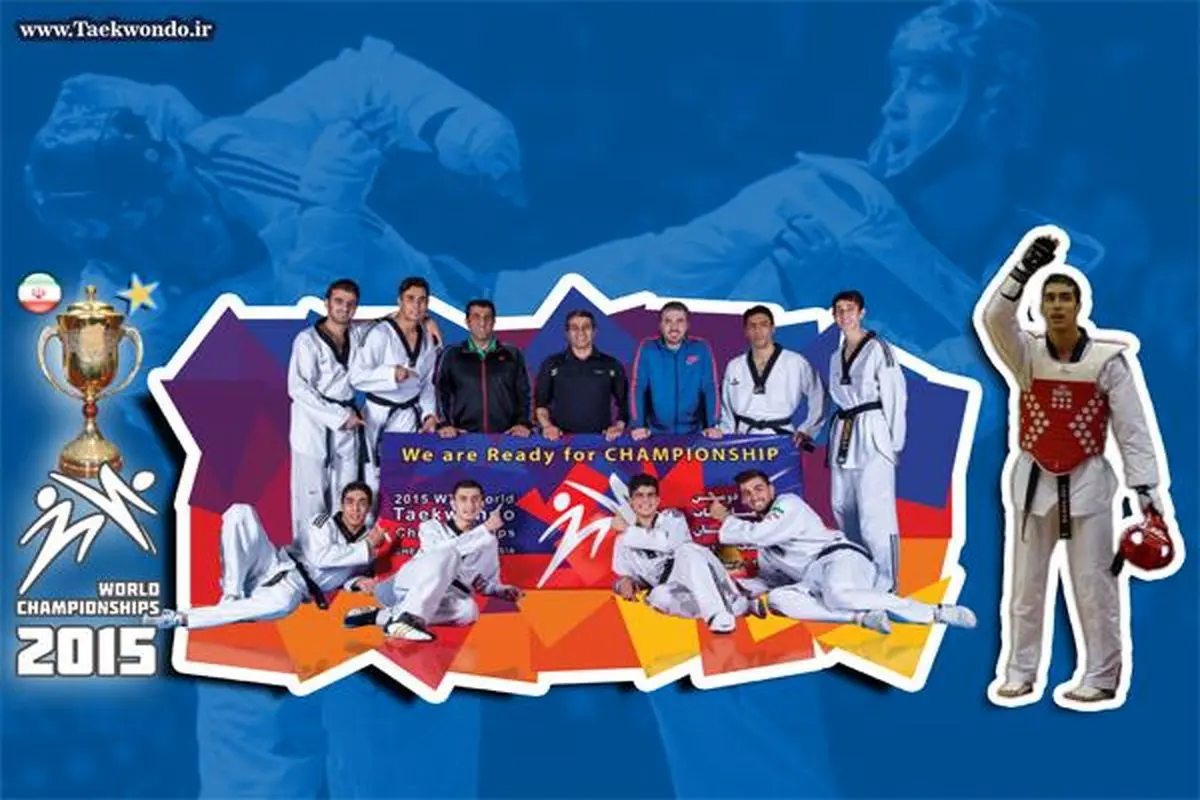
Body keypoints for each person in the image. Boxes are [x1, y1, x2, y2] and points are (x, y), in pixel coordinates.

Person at [978, 229, 1173, 706]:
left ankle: (1102, 676)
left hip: (1088, 481)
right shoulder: (1025, 355)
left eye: (1066, 298)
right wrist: (1023, 269)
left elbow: (1132, 428)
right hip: (1033, 480)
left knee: (1094, 586)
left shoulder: (1108, 361)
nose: (1058, 306)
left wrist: (1146, 491)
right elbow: (993, 317)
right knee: (1025, 587)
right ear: (1039, 307)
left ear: (1080, 305)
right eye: (1050, 298)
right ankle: (1020, 671)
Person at [710, 470, 975, 633]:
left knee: (837, 594)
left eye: (758, 488)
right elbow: (773, 580)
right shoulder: (765, 548)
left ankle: (935, 612)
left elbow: (760, 533)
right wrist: (736, 586)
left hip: (840, 557)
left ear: (771, 489)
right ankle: (861, 617)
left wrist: (725, 519)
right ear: (743, 500)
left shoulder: (788, 504)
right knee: (779, 600)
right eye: (746, 493)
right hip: (814, 579)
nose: (753, 496)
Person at [144, 482, 392, 630]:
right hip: (272, 563)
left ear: (368, 508)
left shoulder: (366, 546)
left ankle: (179, 618)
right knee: (240, 512)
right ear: (342, 505)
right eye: (350, 502)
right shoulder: (323, 523)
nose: (355, 508)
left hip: (294, 588)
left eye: (362, 503)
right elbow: (322, 558)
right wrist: (367, 546)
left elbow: (344, 576)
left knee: (281, 604)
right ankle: (231, 592)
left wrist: (357, 582)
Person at [344, 479, 522, 641]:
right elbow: (444, 552)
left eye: (475, 499)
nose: (469, 505)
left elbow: (484, 581)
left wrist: (500, 590)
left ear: (482, 504)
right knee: (449, 554)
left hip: (443, 596)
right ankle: (409, 618)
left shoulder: (488, 542)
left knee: (469, 610)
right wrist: (484, 530)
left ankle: (384, 617)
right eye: (463, 499)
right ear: (453, 503)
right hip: (410, 584)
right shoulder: (431, 527)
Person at [611, 474, 766, 634]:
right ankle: (740, 606)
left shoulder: (672, 517)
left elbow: (667, 544)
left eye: (650, 495)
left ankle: (717, 616)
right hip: (672, 585)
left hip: (697, 569)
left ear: (657, 500)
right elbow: (627, 576)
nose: (645, 501)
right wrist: (624, 584)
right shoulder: (622, 541)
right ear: (631, 502)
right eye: (639, 496)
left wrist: (629, 531)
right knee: (659, 597)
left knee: (687, 550)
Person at [826, 290, 907, 592]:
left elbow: (896, 396)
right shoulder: (835, 356)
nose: (844, 314)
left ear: (862, 313)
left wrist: (894, 443)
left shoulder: (878, 349)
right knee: (842, 507)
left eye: (849, 309)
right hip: (844, 432)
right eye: (838, 310)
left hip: (873, 431)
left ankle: (886, 583)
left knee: (875, 513)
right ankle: (859, 575)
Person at [348, 277, 443, 505]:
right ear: (399, 300)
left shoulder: (428, 338)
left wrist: (429, 415)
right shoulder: (380, 333)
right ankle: (371, 526)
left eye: (422, 300)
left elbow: (427, 383)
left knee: (403, 478)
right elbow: (356, 377)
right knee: (372, 480)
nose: (416, 305)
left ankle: (395, 525)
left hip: (407, 416)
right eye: (410, 299)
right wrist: (390, 374)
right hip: (377, 414)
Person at [287, 279, 368, 540]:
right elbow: (298, 388)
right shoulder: (307, 340)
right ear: (327, 304)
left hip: (347, 423)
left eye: (351, 304)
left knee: (346, 492)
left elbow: (386, 323)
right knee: (310, 495)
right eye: (339, 301)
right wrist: (340, 416)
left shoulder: (356, 334)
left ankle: (343, 550)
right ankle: (307, 553)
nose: (344, 308)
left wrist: (425, 321)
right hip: (312, 423)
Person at [718, 304, 826, 447]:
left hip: (782, 437)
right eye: (752, 326)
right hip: (743, 437)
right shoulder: (735, 366)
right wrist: (724, 433)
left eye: (764, 325)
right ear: (746, 332)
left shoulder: (795, 362)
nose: (758, 331)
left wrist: (807, 430)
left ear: (773, 328)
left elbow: (818, 395)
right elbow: (727, 411)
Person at [435, 299, 533, 437]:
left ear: (494, 322)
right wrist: (445, 424)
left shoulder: (512, 354)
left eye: (487, 317)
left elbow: (524, 393)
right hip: (463, 439)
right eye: (476, 317)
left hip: (506, 438)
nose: (482, 322)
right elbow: (440, 393)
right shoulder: (452, 355)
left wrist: (523, 423)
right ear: (468, 321)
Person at [629, 302, 722, 440]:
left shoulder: (701, 348)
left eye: (680, 321)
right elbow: (638, 387)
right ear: (660, 325)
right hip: (655, 435)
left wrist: (713, 425)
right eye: (668, 321)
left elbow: (710, 387)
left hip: (694, 434)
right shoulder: (648, 348)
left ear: (687, 325)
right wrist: (638, 425)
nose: (674, 327)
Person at [533, 310, 630, 440]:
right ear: (567, 333)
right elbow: (540, 404)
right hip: (560, 442)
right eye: (574, 328)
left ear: (594, 332)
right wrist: (547, 426)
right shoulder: (551, 364)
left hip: (602, 442)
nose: (581, 332)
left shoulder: (611, 365)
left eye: (586, 327)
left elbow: (625, 403)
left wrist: (618, 426)